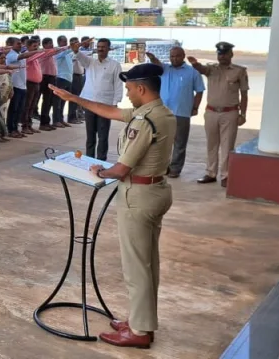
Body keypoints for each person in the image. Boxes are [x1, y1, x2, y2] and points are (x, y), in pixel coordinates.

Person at [49, 63, 176, 349]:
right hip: (156, 191)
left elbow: (120, 169)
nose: (127, 94)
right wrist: (74, 98)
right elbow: (109, 111)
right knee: (148, 263)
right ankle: (140, 321)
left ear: (141, 88)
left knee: (136, 267)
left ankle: (139, 332)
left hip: (139, 196)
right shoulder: (160, 113)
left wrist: (99, 171)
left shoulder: (145, 122)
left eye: (129, 89)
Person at [190, 42, 248, 187]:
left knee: (227, 146)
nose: (222, 57)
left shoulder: (239, 71)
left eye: (225, 54)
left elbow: (244, 94)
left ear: (231, 54)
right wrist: (195, 64)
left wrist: (243, 114)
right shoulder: (211, 69)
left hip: (230, 113)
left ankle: (226, 175)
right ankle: (211, 173)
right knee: (211, 144)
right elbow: (202, 69)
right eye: (219, 54)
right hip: (211, 112)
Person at [146, 47, 205, 178]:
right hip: (162, 112)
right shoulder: (164, 69)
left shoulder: (193, 72)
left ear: (183, 56)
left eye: (177, 56)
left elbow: (199, 91)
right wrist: (152, 58)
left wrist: (195, 107)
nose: (174, 59)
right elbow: (156, 63)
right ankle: (160, 167)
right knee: (160, 141)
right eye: (172, 56)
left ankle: (175, 169)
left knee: (179, 143)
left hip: (182, 112)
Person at [77, 38, 124, 161]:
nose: (100, 49)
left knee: (103, 136)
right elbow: (78, 55)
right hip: (90, 103)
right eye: (98, 47)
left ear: (109, 48)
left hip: (105, 105)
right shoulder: (90, 62)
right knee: (90, 135)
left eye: (103, 47)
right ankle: (89, 160)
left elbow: (118, 84)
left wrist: (115, 103)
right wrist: (76, 49)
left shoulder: (114, 65)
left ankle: (101, 161)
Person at [5, 37, 27, 138]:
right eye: (18, 44)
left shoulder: (19, 53)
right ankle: (11, 129)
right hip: (15, 85)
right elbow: (23, 56)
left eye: (21, 43)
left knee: (19, 109)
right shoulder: (10, 55)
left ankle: (15, 128)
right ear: (11, 45)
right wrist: (36, 52)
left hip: (22, 85)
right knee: (13, 109)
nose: (20, 45)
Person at [68, 37, 86, 124]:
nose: (77, 44)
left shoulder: (80, 53)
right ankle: (71, 117)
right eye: (75, 43)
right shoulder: (70, 53)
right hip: (74, 76)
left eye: (78, 42)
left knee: (79, 97)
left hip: (80, 76)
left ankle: (77, 115)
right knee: (74, 97)